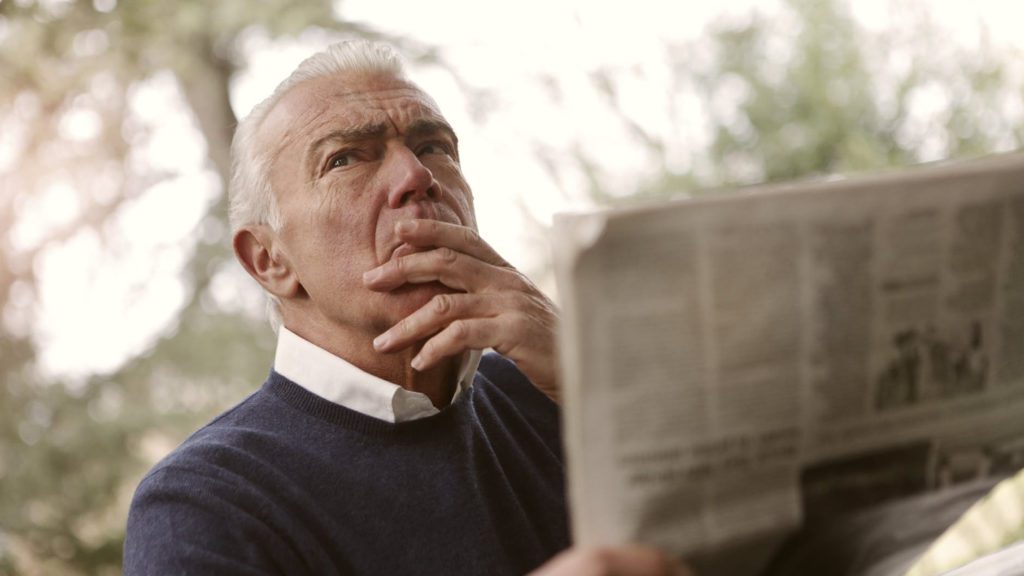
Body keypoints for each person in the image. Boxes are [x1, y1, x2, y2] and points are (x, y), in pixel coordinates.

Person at [123, 40, 689, 576]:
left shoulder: (558, 386)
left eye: (433, 147)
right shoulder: (203, 504)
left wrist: (595, 383)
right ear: (269, 260)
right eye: (345, 159)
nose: (416, 178)